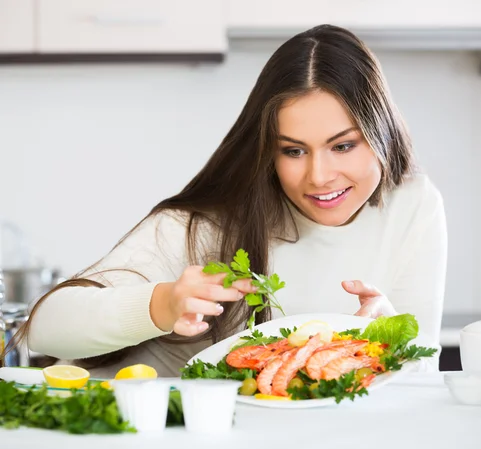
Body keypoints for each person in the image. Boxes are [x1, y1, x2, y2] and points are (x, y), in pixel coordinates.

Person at [10, 24, 447, 378]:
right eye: (293, 151)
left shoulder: (413, 205)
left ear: (381, 133)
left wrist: (393, 339)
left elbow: (421, 375)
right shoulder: (210, 221)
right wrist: (162, 305)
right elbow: (45, 328)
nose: (318, 176)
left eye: (343, 146)